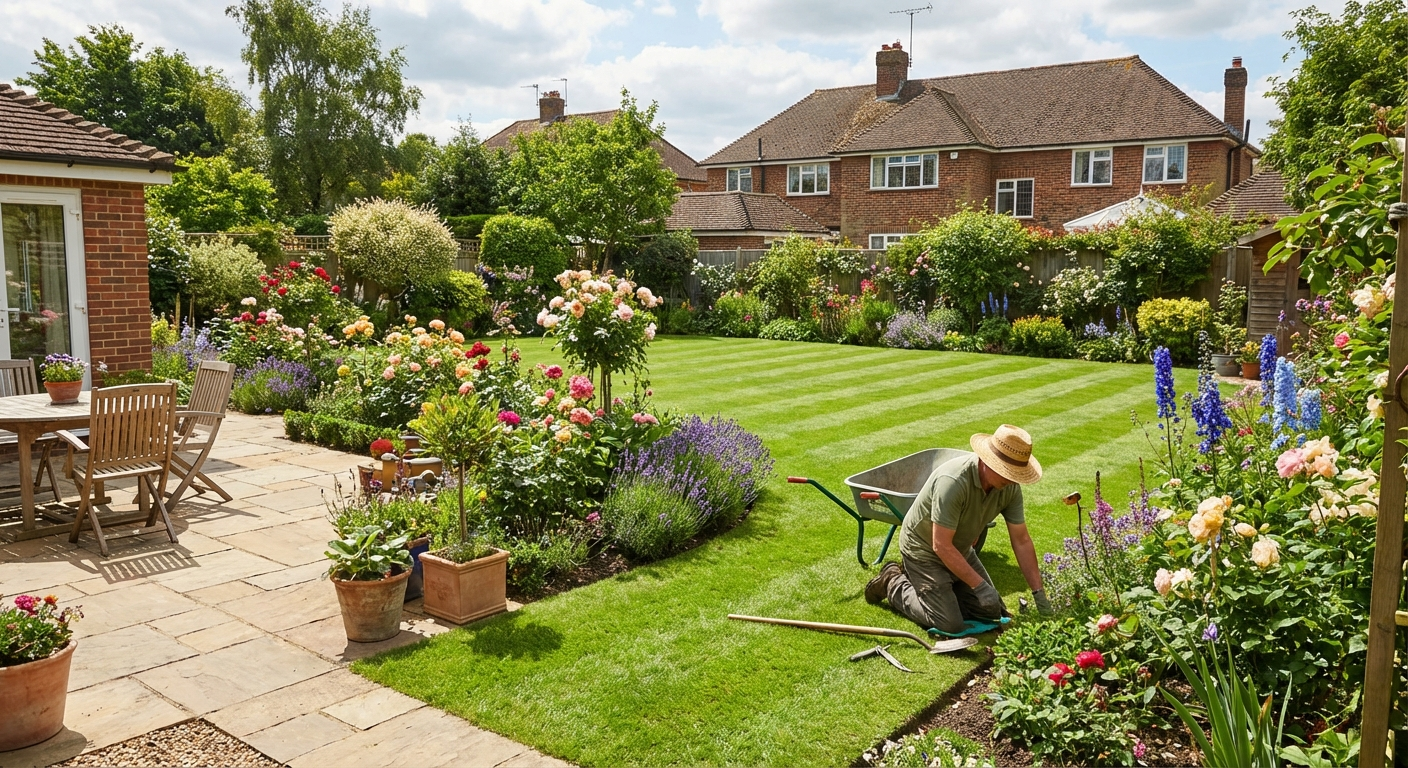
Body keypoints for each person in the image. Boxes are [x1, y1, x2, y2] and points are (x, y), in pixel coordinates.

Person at [865, 424, 1052, 633]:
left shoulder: (1010, 488)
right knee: (949, 623)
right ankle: (893, 581)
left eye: (1016, 474)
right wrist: (979, 586)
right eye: (1007, 472)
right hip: (923, 551)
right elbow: (940, 545)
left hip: (960, 549)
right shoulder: (953, 481)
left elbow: (1022, 540)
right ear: (988, 461)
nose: (1011, 479)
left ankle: (943, 592)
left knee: (992, 613)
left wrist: (1039, 594)